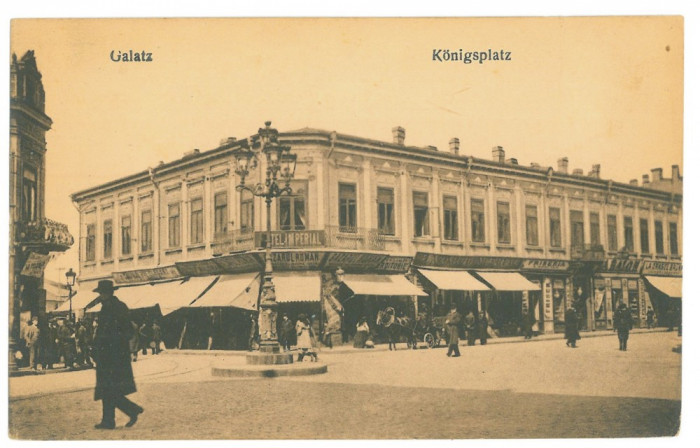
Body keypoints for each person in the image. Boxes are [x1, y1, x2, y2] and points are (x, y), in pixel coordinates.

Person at [92, 280, 143, 430]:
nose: (101, 296)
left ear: (109, 293)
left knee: (108, 389)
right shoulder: (105, 309)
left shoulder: (119, 308)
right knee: (107, 388)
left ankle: (112, 419)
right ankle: (111, 419)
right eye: (100, 293)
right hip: (105, 355)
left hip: (115, 356)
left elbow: (128, 330)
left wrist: (114, 342)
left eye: (103, 293)